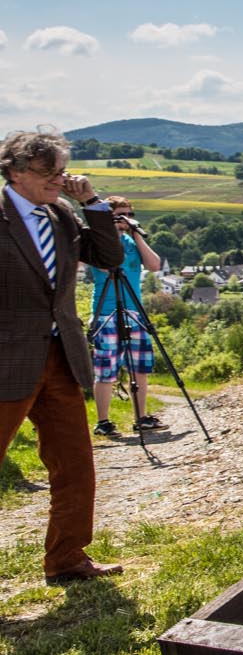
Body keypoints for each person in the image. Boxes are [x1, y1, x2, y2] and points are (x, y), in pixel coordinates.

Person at [0, 129, 125, 584]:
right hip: (7, 360)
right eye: (46, 171)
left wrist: (92, 203)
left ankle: (68, 558)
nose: (58, 178)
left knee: (74, 466)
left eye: (60, 170)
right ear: (14, 171)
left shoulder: (63, 214)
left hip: (60, 357)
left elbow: (109, 257)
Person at [89, 196, 166, 436]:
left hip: (134, 310)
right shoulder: (99, 242)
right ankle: (103, 422)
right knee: (106, 370)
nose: (126, 220)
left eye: (129, 215)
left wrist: (137, 236)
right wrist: (109, 231)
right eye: (120, 215)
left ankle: (141, 417)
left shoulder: (132, 242)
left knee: (139, 367)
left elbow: (154, 265)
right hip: (107, 311)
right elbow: (105, 265)